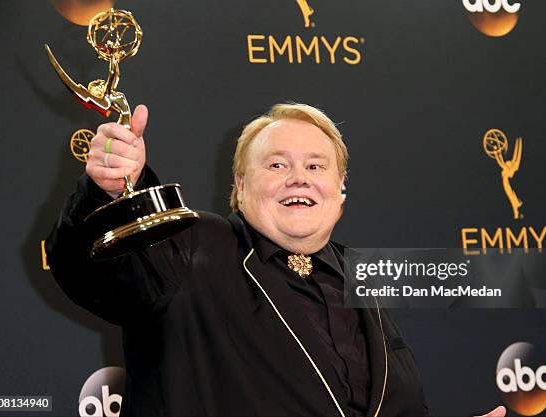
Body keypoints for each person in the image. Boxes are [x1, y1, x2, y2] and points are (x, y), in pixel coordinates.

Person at [46, 103, 505, 417]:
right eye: (276, 165)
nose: (298, 179)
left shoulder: (358, 274)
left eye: (316, 166)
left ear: (341, 190)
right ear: (240, 187)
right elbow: (89, 270)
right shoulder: (193, 246)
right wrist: (112, 191)